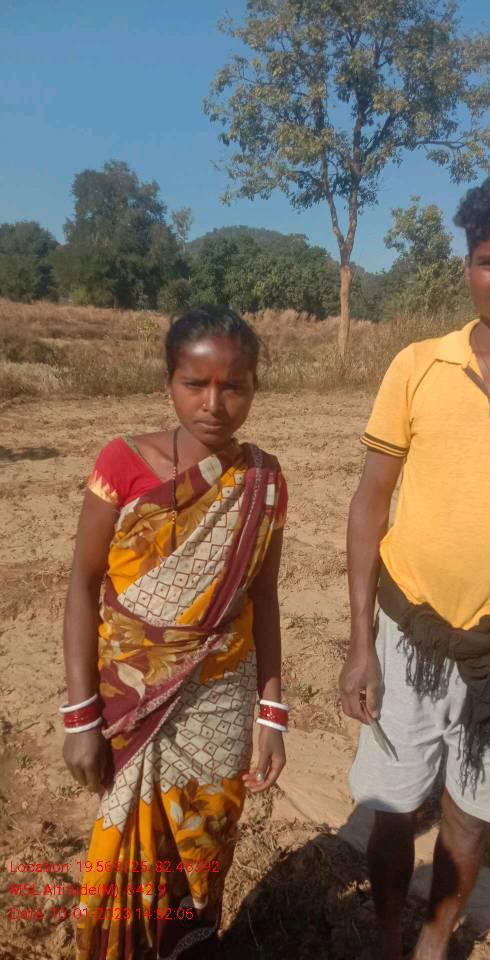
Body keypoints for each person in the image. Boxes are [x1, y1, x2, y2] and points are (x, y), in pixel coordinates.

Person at [340, 172, 490, 960]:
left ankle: (433, 941)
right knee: (394, 808)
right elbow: (370, 504)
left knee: (470, 814)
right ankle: (387, 936)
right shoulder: (418, 366)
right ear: (467, 269)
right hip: (407, 636)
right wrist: (361, 642)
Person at [61, 305, 289, 959]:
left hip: (221, 701)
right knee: (126, 846)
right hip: (131, 697)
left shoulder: (263, 480)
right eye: (196, 384)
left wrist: (271, 715)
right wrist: (80, 717)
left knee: (203, 843)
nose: (213, 403)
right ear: (169, 383)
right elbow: (81, 587)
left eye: (233, 386)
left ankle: (190, 944)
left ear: (254, 388)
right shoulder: (122, 463)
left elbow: (264, 597)